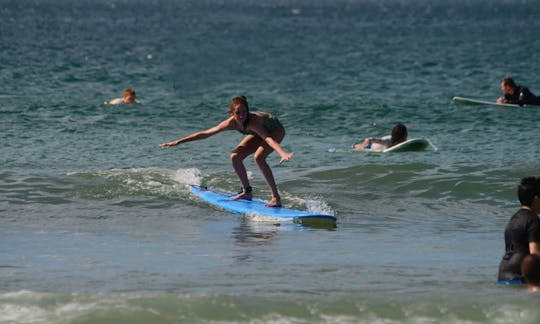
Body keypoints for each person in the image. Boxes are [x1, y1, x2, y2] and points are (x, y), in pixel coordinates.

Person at [160, 96, 294, 207]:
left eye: (244, 112)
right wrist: (179, 141)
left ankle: (276, 198)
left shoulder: (253, 122)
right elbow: (206, 133)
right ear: (231, 113)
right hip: (258, 134)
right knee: (235, 156)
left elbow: (268, 138)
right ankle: (247, 192)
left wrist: (282, 152)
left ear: (248, 111)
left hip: (275, 131)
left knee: (259, 157)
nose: (241, 115)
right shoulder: (230, 123)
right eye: (238, 113)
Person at [498, 177, 540, 284]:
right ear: (536, 199)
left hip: (503, 273)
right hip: (520, 275)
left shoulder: (514, 218)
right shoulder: (534, 220)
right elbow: (535, 255)